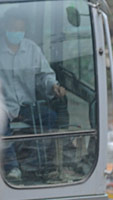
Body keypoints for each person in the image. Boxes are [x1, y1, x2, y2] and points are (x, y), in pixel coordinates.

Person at [0, 8, 66, 181]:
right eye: (13, 29)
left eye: (20, 30)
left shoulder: (32, 49)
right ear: (5, 27)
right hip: (3, 106)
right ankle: (12, 168)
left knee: (49, 118)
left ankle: (34, 164)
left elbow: (44, 75)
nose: (17, 33)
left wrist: (53, 86)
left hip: (26, 105)